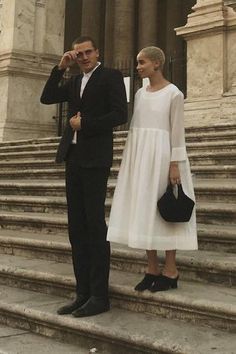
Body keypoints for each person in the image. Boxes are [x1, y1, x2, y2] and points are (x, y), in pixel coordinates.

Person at [40, 36, 127, 316]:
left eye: (88, 52)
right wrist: (60, 67)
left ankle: (99, 296)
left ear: (97, 51)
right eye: (79, 54)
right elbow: (47, 97)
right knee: (76, 228)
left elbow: (119, 115)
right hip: (73, 158)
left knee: (94, 226)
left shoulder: (110, 76)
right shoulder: (75, 81)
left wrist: (86, 123)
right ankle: (82, 292)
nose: (84, 57)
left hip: (95, 159)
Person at [107, 46, 198, 292]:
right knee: (144, 209)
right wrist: (132, 160)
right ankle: (151, 268)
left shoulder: (173, 93)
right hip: (141, 157)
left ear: (157, 64)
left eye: (142, 62)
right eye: (137, 62)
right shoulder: (139, 94)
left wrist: (175, 164)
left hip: (164, 156)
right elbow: (136, 127)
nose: (137, 66)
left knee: (165, 212)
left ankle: (170, 270)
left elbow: (177, 132)